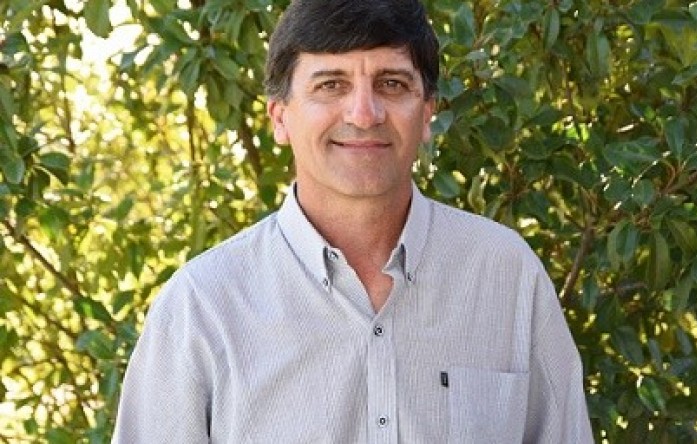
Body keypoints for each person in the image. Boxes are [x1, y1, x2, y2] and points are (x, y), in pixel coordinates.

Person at [112, 0, 593, 442]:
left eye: (392, 83)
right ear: (280, 117)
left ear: (427, 112)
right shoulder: (203, 306)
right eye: (331, 85)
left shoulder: (507, 276)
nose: (364, 114)